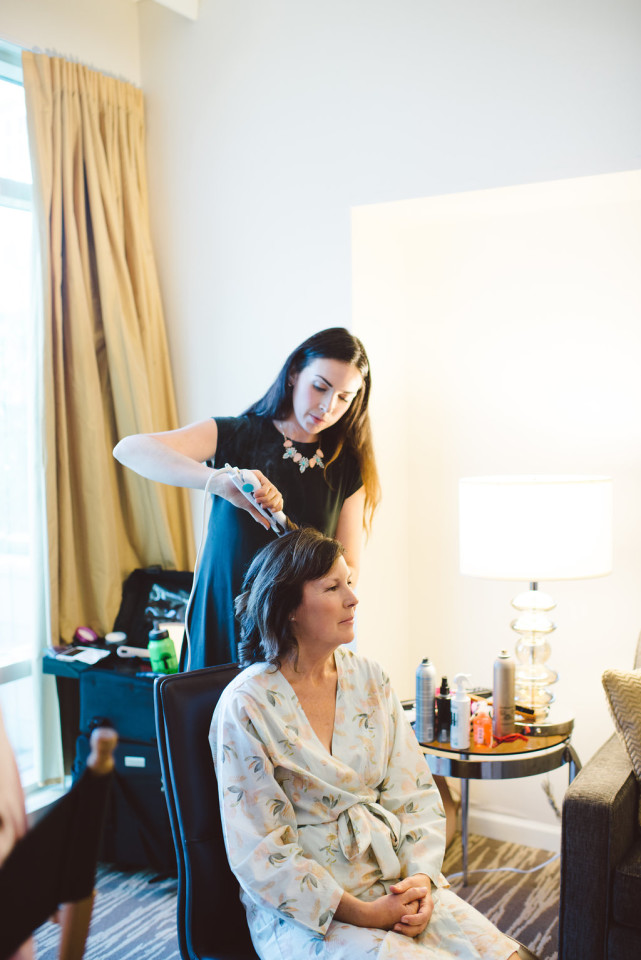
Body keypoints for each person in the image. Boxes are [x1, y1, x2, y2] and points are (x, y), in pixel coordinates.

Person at [209, 528, 520, 960]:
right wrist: (366, 913)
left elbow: (413, 792)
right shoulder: (247, 705)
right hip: (309, 912)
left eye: (350, 583)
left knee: (508, 954)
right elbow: (261, 851)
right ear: (289, 606)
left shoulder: (370, 678)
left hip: (393, 882)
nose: (353, 599)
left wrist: (420, 882)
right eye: (333, 588)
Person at [113, 327, 380, 670]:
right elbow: (129, 449)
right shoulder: (237, 435)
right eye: (320, 387)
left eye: (344, 397)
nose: (328, 406)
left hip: (295, 634)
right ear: (294, 374)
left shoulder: (346, 466)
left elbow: (350, 569)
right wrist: (219, 482)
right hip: (224, 618)